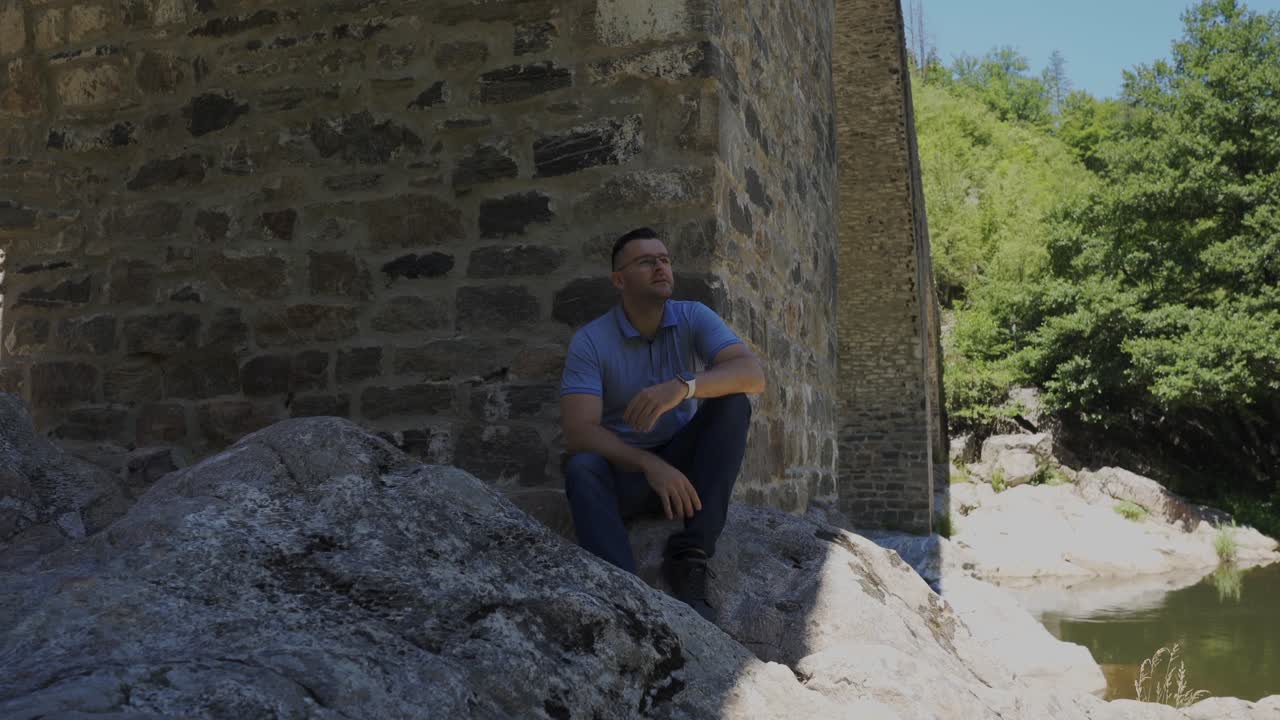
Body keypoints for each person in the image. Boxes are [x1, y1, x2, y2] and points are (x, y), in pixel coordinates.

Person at [559, 227, 766, 622]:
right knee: (582, 467)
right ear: (619, 280)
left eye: (665, 260)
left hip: (686, 470)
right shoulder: (591, 341)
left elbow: (752, 374)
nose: (661, 267)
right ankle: (623, 593)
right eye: (646, 261)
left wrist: (683, 387)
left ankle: (690, 558)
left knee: (732, 404)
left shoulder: (692, 316)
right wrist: (649, 465)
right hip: (628, 477)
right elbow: (578, 431)